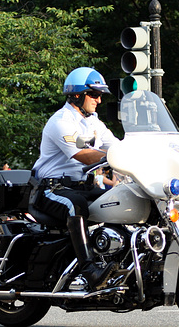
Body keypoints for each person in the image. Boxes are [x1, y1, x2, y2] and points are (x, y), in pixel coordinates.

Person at [31, 67, 118, 291]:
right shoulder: (61, 121)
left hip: (83, 187)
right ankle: (90, 270)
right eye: (94, 94)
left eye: (100, 95)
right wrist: (116, 156)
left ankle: (116, 257)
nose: (99, 100)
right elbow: (83, 156)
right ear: (77, 94)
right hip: (52, 189)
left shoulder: (94, 123)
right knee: (76, 206)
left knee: (121, 199)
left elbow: (118, 146)